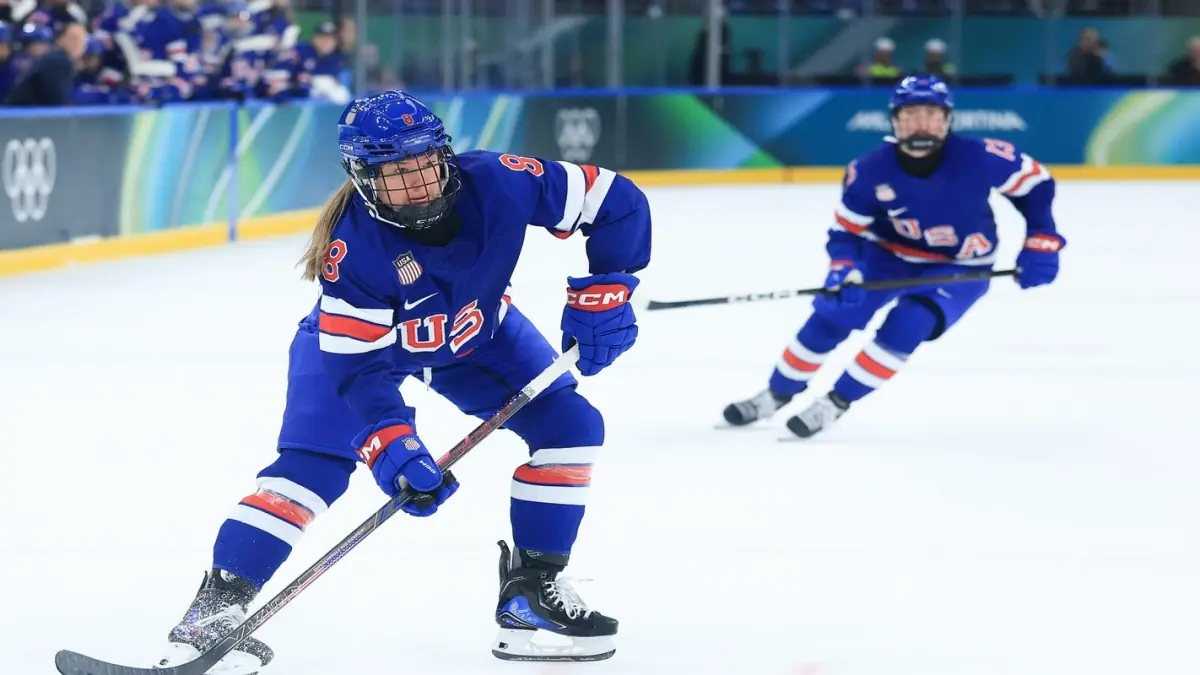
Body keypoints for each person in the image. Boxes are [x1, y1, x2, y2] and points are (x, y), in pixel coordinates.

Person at [154, 90, 652, 673]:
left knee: (571, 426)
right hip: (360, 351)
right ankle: (213, 611)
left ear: (444, 154)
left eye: (424, 164)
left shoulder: (502, 180)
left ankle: (529, 594)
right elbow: (358, 369)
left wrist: (607, 290)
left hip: (471, 332)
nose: (417, 185)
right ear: (363, 178)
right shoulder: (353, 249)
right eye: (395, 174)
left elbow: (614, 199)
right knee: (312, 469)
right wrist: (390, 442)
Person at [722, 76, 1065, 439]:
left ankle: (835, 403)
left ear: (947, 119)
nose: (922, 123)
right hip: (886, 255)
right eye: (911, 114)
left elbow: (1037, 186)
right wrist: (843, 269)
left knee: (909, 325)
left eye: (931, 114)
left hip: (961, 266)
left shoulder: (983, 157)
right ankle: (776, 394)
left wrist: (1041, 239)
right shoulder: (868, 171)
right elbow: (845, 232)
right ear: (895, 120)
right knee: (831, 318)